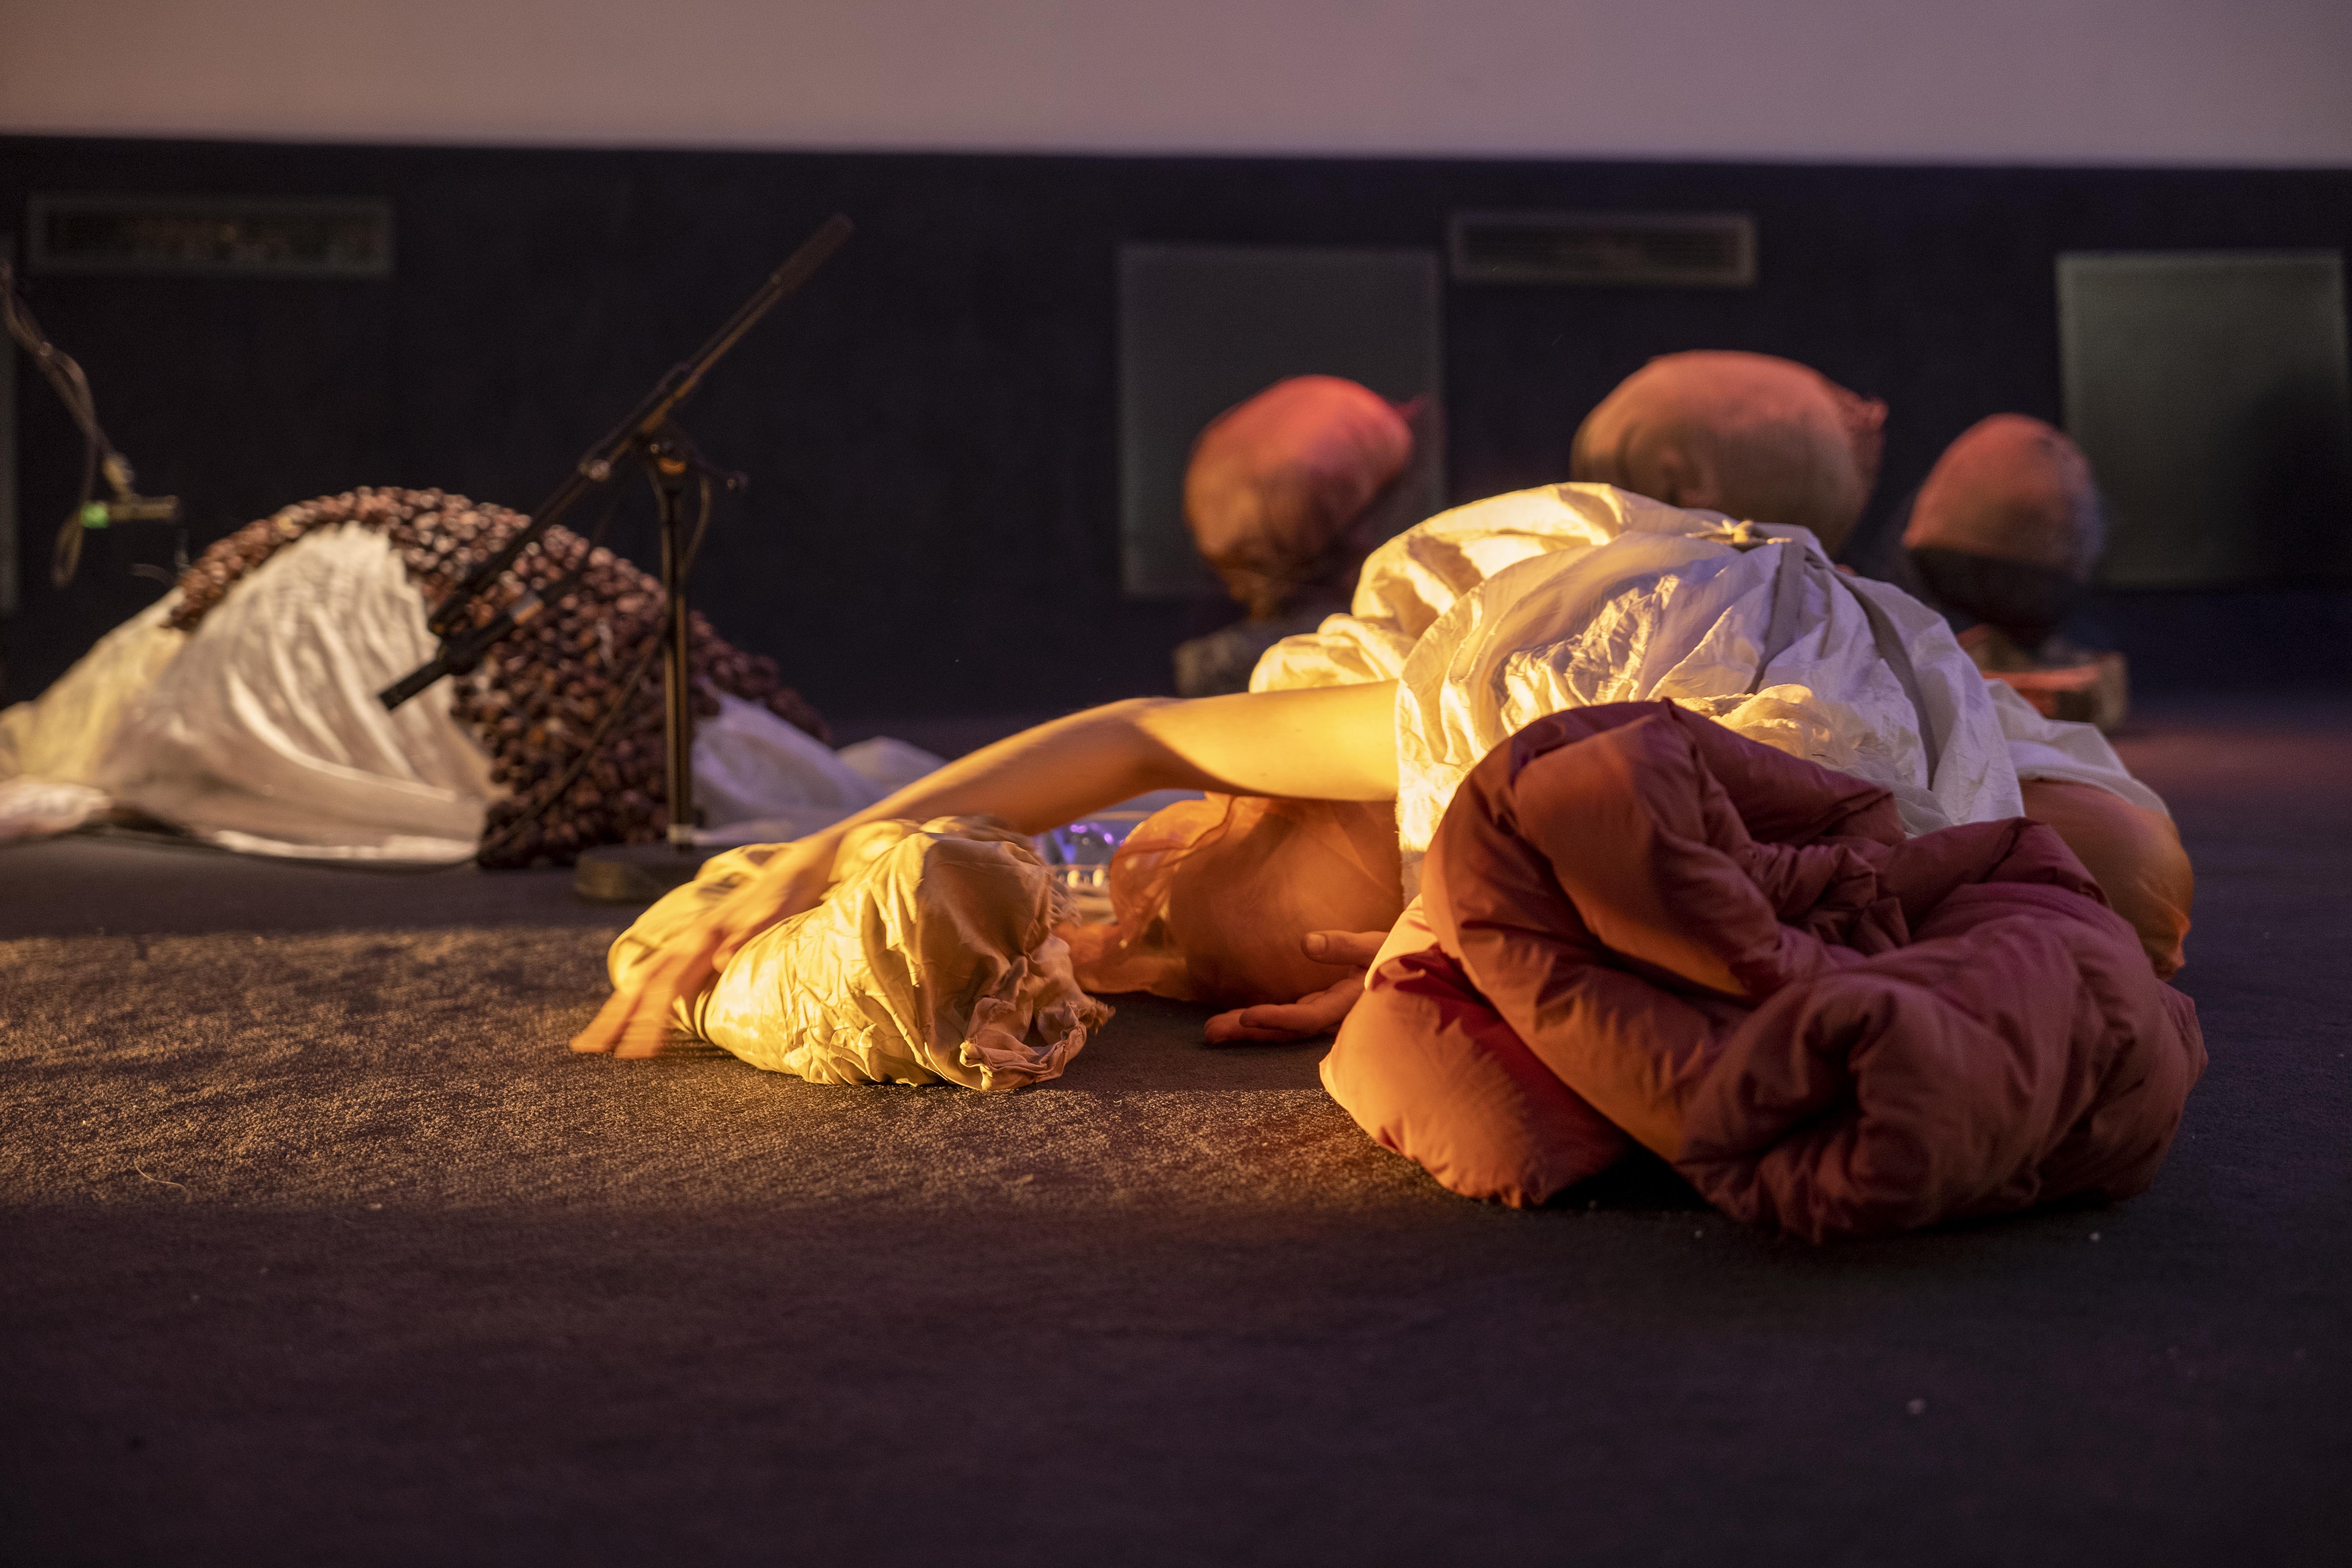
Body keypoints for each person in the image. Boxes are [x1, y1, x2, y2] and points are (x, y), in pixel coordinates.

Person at [574, 474, 2181, 1058]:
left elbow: (1142, 736)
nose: (1133, 890)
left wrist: (826, 847)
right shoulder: (1452, 845)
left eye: (1153, 882)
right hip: (1793, 710)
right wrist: (1441, 958)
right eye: (1161, 911)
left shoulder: (1407, 730)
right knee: (2122, 886)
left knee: (2122, 878)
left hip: (1668, 627)